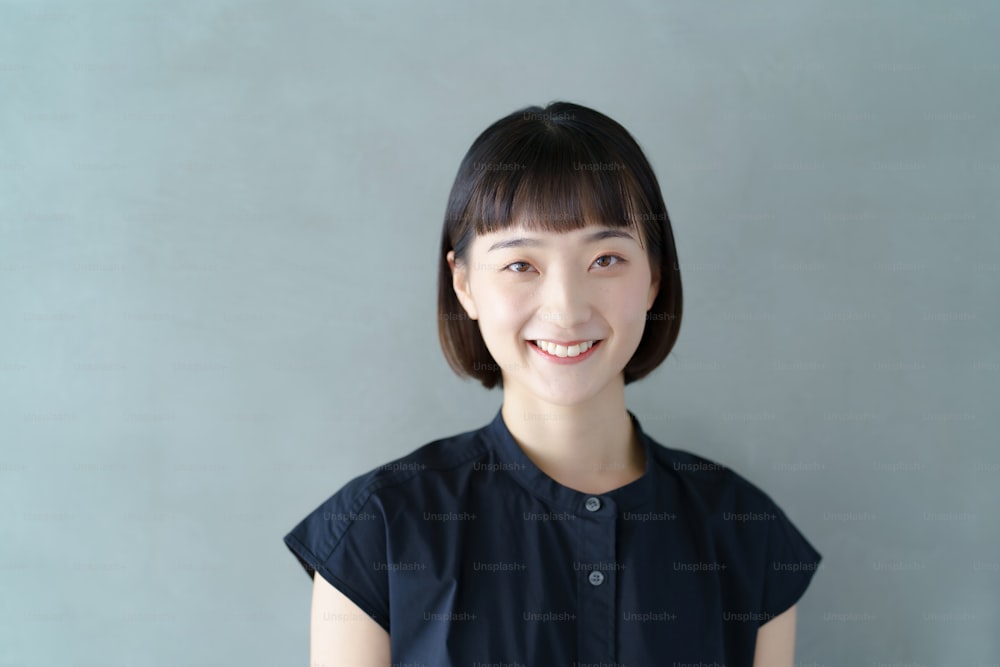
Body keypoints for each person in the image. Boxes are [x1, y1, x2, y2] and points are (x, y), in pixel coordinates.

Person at [283, 101, 822, 666]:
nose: (566, 309)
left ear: (655, 280)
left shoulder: (744, 533)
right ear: (464, 284)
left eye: (607, 259)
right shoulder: (376, 531)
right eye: (521, 265)